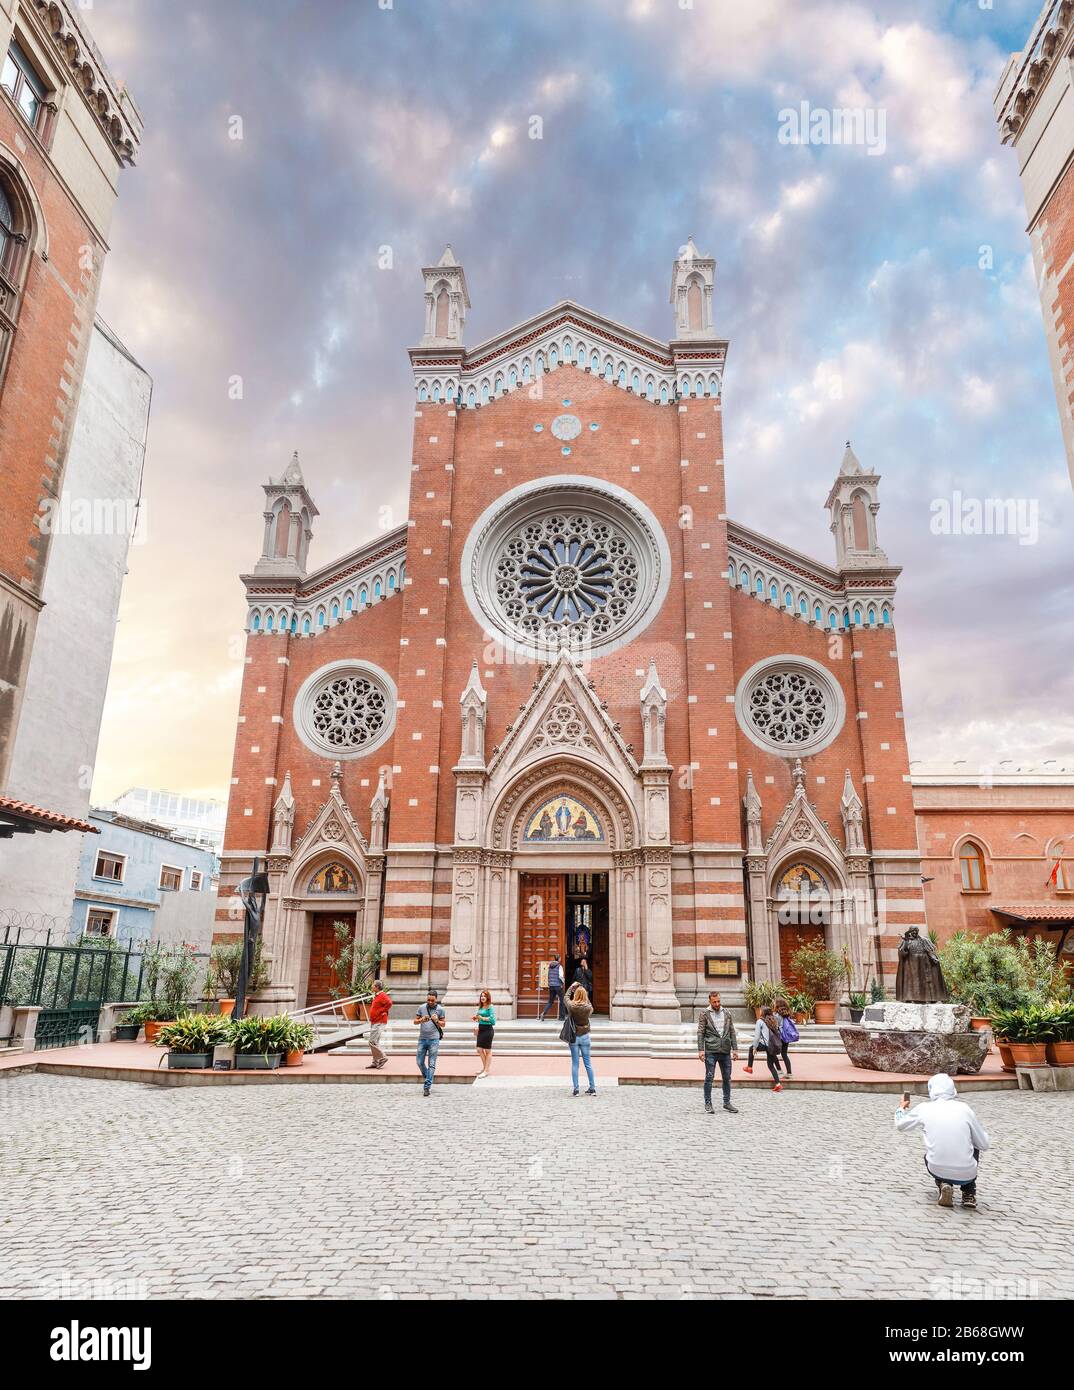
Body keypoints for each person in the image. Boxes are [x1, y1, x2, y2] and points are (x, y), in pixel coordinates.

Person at [895, 1073, 991, 1209]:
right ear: (953, 1089)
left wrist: (901, 1108)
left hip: (936, 1167)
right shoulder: (965, 1109)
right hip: (967, 1173)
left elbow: (900, 1124)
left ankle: (943, 1183)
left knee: (929, 1154)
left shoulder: (924, 1108)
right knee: (974, 1144)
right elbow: (984, 1144)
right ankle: (969, 1193)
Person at [696, 990, 739, 1114]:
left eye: (718, 1001)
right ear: (710, 1001)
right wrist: (701, 1050)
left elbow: (732, 1031)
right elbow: (700, 1032)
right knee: (709, 1077)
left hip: (725, 1051)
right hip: (711, 1050)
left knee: (727, 1078)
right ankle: (708, 1103)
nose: (717, 1003)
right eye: (714, 1002)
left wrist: (735, 1049)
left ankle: (727, 1102)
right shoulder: (704, 1014)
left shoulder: (727, 1013)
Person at [563, 981, 596, 1096]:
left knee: (575, 1064)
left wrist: (571, 987)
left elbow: (566, 997)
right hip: (585, 1037)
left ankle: (576, 1089)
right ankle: (592, 1088)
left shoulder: (572, 1006)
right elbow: (589, 1004)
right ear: (585, 996)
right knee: (588, 1064)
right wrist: (584, 993)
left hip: (574, 1037)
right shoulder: (588, 1008)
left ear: (576, 995)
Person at [413, 988, 445, 1096]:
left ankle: (427, 1086)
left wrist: (437, 1020)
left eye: (432, 1000)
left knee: (432, 1064)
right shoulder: (422, 1007)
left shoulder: (440, 1009)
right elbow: (415, 1021)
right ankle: (429, 1077)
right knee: (419, 1062)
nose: (430, 1002)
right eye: (429, 1000)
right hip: (422, 1039)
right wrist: (421, 1020)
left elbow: (443, 1024)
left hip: (434, 1039)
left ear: (436, 999)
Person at [749, 1007, 784, 1091]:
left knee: (751, 1048)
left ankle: (749, 1067)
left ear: (763, 1012)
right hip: (772, 1045)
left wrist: (755, 1047)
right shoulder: (774, 1020)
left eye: (761, 1010)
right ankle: (778, 1083)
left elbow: (757, 1037)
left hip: (765, 1044)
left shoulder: (760, 1021)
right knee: (770, 1065)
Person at [365, 978, 392, 1070]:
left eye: (373, 985)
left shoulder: (382, 995)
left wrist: (382, 1011)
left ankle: (383, 1057)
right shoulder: (377, 995)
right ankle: (375, 1062)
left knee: (372, 1042)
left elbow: (389, 1003)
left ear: (376, 987)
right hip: (375, 1021)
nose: (371, 986)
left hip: (379, 1021)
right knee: (375, 1042)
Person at [473, 989, 495, 1077]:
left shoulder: (490, 1007)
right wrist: (476, 1018)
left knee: (487, 1050)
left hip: (488, 1030)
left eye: (484, 996)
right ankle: (484, 1068)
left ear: (487, 998)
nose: (482, 997)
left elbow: (492, 1020)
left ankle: (486, 1070)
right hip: (481, 1029)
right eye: (481, 996)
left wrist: (481, 1018)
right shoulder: (481, 1007)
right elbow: (480, 1018)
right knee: (479, 1049)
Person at [774, 996, 798, 1078]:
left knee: (772, 1053)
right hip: (786, 1037)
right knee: (784, 1054)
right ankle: (789, 1073)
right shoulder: (786, 1013)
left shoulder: (777, 1015)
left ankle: (779, 1071)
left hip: (779, 1037)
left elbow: (775, 1027)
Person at [541, 954, 565, 1020]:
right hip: (558, 986)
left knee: (550, 1001)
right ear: (559, 959)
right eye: (560, 958)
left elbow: (548, 975)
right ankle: (562, 1017)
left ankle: (543, 1013)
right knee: (562, 1000)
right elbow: (561, 976)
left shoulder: (550, 966)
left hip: (551, 986)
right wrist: (563, 982)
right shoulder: (559, 966)